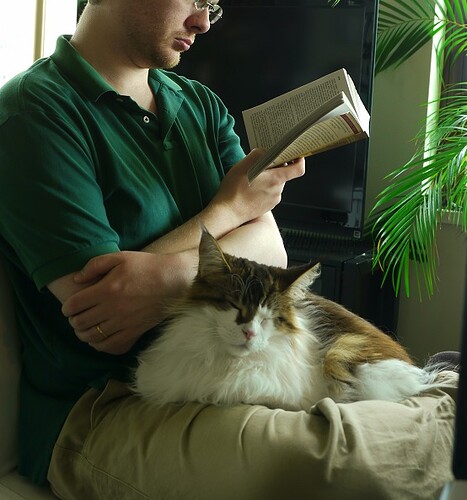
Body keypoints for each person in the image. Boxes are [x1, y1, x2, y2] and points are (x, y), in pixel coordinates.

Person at [0, 1, 458, 499]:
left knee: (366, 431)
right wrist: (229, 209)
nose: (203, 23)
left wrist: (157, 276)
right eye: (194, 1)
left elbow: (272, 252)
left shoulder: (199, 104)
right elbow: (107, 313)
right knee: (340, 466)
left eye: (212, 7)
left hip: (223, 371)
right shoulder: (34, 112)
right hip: (104, 406)